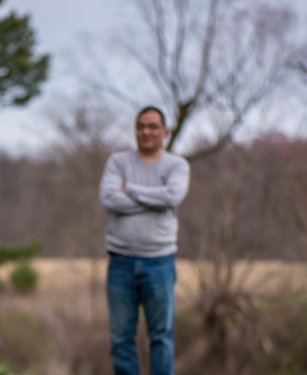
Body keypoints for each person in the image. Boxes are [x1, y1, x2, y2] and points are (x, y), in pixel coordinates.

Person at [99, 106, 190, 375]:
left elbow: (172, 197)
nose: (146, 132)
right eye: (140, 126)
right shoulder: (118, 162)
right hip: (121, 262)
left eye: (152, 126)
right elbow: (108, 199)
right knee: (120, 339)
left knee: (161, 338)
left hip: (160, 262)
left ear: (165, 131)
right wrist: (155, 200)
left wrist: (131, 192)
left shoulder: (176, 165)